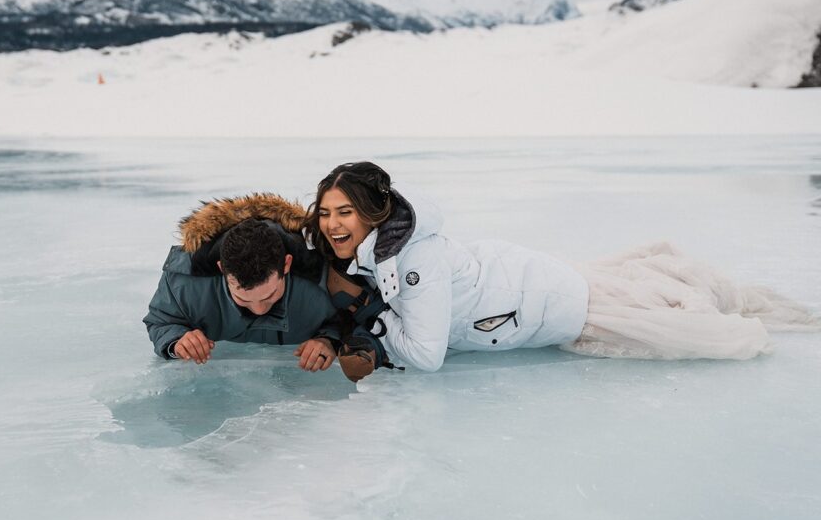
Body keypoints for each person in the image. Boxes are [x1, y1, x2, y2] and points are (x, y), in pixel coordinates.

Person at [303, 162, 818, 378]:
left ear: (374, 213)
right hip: (519, 281)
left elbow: (427, 355)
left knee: (681, 322)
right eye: (325, 212)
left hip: (539, 303)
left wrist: (370, 324)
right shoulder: (379, 247)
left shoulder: (415, 261)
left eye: (344, 212)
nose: (331, 224)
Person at [144, 193, 341, 371]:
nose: (259, 310)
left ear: (286, 265)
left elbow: (353, 321)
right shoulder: (185, 282)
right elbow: (162, 321)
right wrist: (177, 340)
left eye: (270, 295)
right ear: (222, 269)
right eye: (243, 298)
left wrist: (329, 340)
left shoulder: (328, 276)